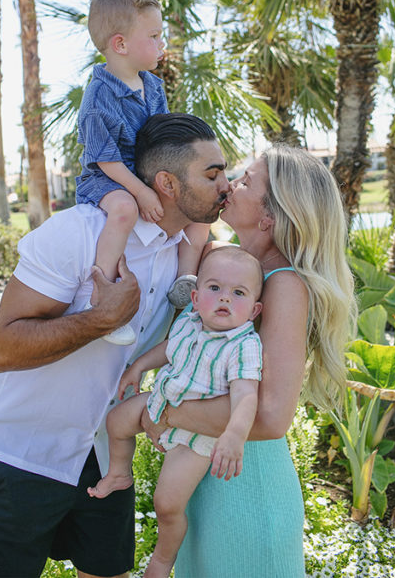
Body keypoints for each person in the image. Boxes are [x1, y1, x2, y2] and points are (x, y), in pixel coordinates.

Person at [0, 113, 230, 578]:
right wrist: (101, 318)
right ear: (166, 183)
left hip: (108, 453)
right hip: (20, 455)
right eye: (212, 174)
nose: (227, 184)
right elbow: (2, 349)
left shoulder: (192, 259)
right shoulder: (78, 234)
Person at [142, 145, 356, 578]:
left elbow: (274, 417)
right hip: (205, 482)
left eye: (246, 181)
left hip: (247, 493)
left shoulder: (283, 285)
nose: (230, 184)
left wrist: (161, 408)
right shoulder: (234, 267)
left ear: (269, 218)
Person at [89, 246, 265, 578]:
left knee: (167, 504)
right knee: (116, 421)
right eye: (215, 288)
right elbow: (168, 350)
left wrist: (234, 435)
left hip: (196, 436)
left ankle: (161, 561)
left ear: (254, 310)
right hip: (161, 399)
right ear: (196, 298)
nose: (224, 299)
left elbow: (246, 396)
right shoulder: (189, 320)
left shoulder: (244, 346)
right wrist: (138, 366)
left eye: (238, 293)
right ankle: (119, 472)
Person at [76, 0, 207, 344]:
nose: (162, 44)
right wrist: (140, 192)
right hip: (109, 178)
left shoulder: (153, 86)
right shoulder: (99, 95)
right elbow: (105, 159)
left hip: (144, 175)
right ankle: (104, 299)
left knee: (198, 206)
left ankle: (185, 280)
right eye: (154, 36)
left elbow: (161, 139)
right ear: (120, 45)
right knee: (123, 209)